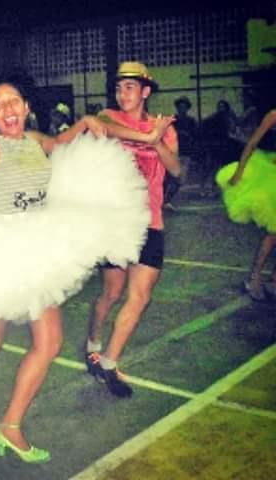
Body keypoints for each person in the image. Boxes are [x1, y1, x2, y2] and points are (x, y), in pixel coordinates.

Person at [0, 73, 169, 463]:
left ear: (26, 107)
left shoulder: (36, 140)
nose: (7, 109)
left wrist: (103, 126)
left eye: (13, 101)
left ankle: (11, 425)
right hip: (0, 249)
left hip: (38, 248)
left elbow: (66, 140)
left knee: (49, 343)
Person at [84, 61, 180, 397]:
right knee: (112, 293)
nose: (121, 93)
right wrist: (147, 135)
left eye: (129, 87)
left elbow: (175, 169)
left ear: (145, 91)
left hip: (150, 221)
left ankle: (109, 363)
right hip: (116, 220)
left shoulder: (163, 129)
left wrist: (157, 140)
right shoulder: (108, 116)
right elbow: (108, 130)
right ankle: (93, 344)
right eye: (118, 87)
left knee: (140, 297)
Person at [216, 108, 276, 301]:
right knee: (274, 232)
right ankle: (254, 278)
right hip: (268, 172)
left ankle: (273, 280)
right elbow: (252, 143)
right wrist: (240, 171)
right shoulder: (273, 115)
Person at [163, 96, 198, 210]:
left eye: (184, 107)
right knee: (168, 177)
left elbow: (196, 136)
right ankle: (163, 200)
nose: (182, 109)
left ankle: (166, 200)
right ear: (177, 108)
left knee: (180, 180)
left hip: (185, 152)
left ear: (187, 108)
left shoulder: (191, 121)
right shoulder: (172, 120)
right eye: (180, 106)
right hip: (172, 152)